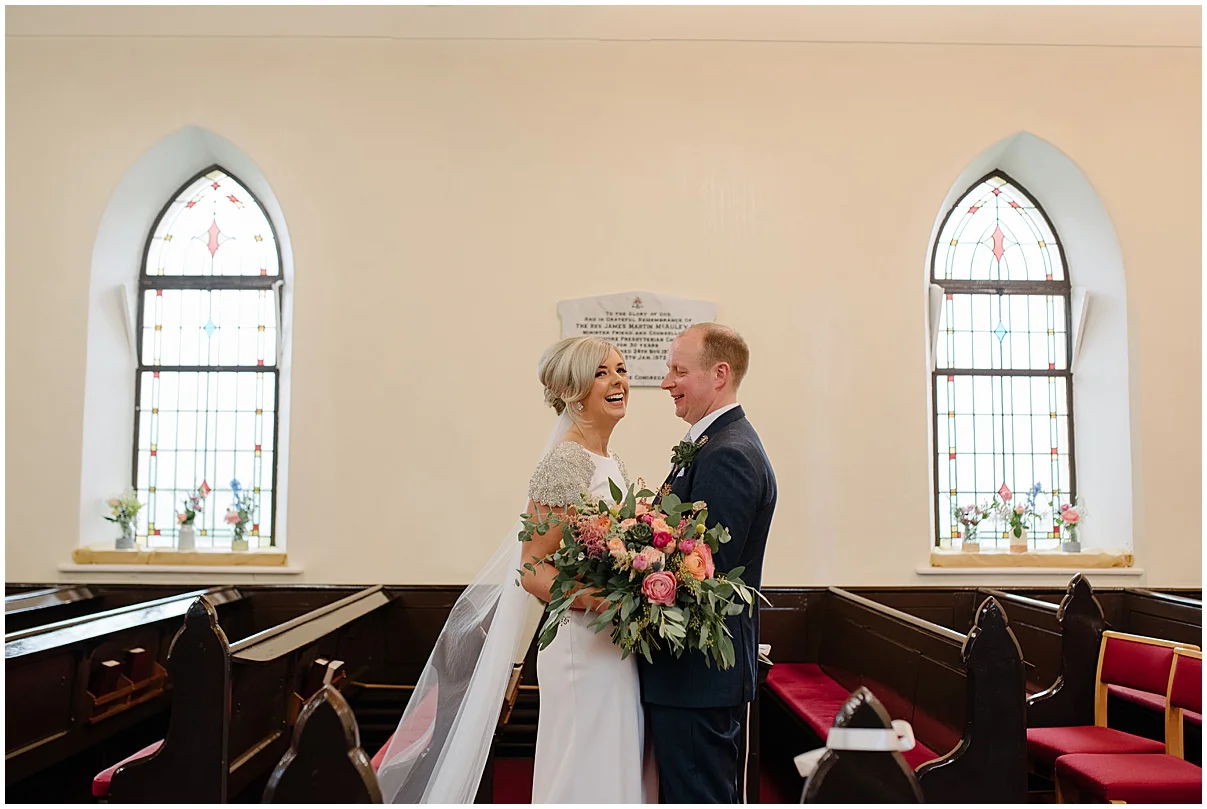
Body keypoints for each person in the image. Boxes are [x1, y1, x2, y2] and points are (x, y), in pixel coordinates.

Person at [376, 335, 653, 804]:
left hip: (614, 642)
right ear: (573, 390)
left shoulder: (611, 461)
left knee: (614, 763)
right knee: (582, 770)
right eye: (601, 373)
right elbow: (531, 568)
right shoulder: (566, 461)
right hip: (581, 645)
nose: (618, 382)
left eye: (621, 370)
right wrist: (604, 600)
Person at [641, 322, 778, 804]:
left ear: (719, 374)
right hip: (688, 679)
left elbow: (703, 573)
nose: (666, 382)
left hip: (698, 676)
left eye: (679, 371)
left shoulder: (729, 454)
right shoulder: (713, 444)